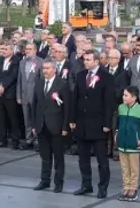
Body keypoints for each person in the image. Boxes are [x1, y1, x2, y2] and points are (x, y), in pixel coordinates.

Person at [72, 49, 114, 198]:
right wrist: (72, 119)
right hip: (82, 123)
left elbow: (109, 102)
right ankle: (86, 184)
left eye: (88, 60)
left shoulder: (106, 77)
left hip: (98, 124)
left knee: (102, 160)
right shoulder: (81, 75)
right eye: (85, 59)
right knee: (83, 158)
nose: (85, 62)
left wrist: (107, 123)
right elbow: (75, 98)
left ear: (96, 61)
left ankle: (103, 187)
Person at [32, 60, 71, 191]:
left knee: (58, 156)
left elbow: (66, 108)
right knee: (45, 156)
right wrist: (34, 124)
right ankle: (45, 180)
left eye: (48, 68)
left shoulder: (62, 84)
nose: (45, 71)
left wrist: (65, 127)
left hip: (56, 126)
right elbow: (35, 104)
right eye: (43, 68)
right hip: (41, 125)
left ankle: (58, 182)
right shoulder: (39, 83)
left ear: (54, 69)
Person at [115, 85, 140, 201]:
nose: (123, 97)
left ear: (134, 97)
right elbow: (118, 123)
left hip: (133, 143)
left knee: (133, 168)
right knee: (124, 167)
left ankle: (133, 188)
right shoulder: (121, 108)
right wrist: (117, 133)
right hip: (122, 143)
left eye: (126, 95)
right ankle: (126, 187)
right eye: (123, 95)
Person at [0, 43, 21, 149]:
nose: (3, 51)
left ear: (12, 50)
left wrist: (3, 86)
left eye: (6, 49)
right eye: (3, 49)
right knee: (1, 118)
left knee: (13, 118)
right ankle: (2, 140)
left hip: (10, 94)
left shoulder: (16, 60)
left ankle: (15, 141)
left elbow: (13, 75)